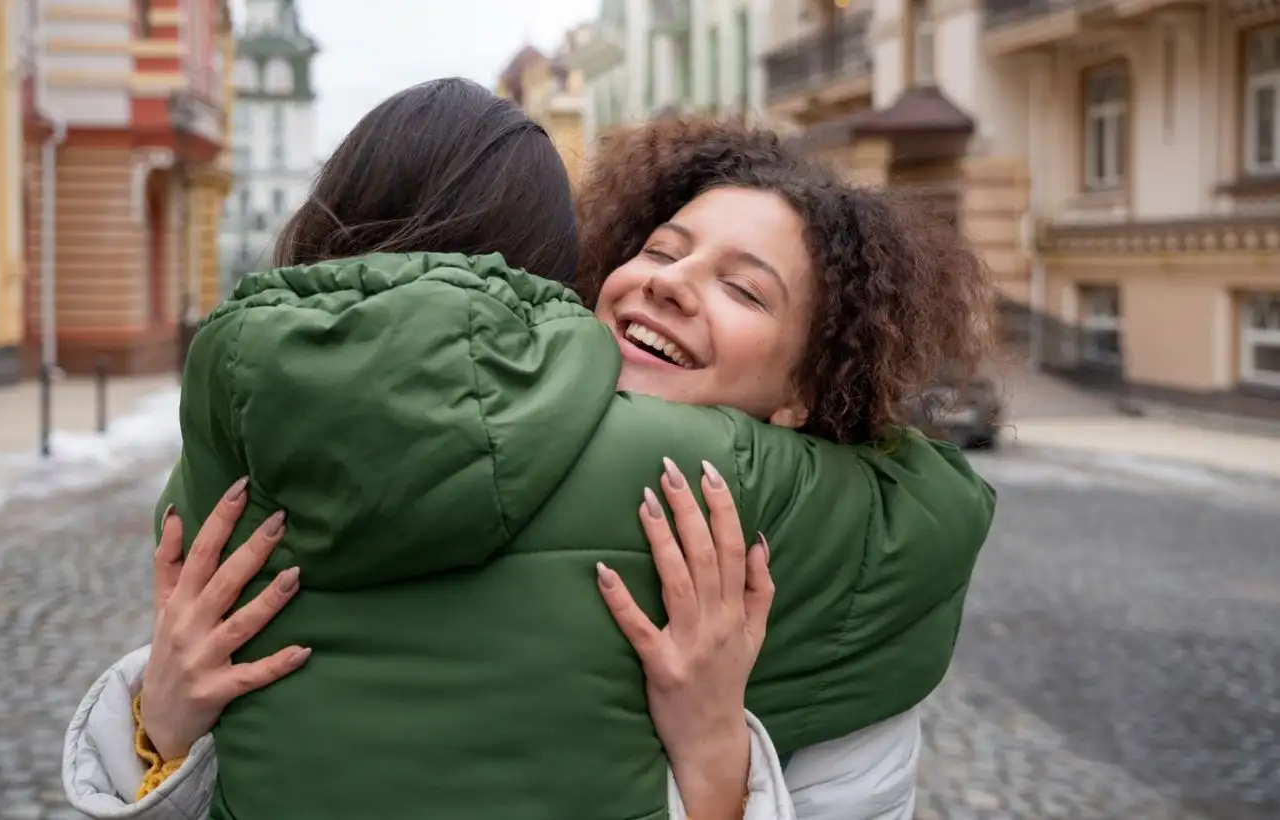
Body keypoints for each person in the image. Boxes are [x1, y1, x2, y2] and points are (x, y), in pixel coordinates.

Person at [61, 80, 996, 820]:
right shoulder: (870, 553)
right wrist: (163, 721)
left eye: (744, 292)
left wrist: (716, 752)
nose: (671, 286)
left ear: (807, 391)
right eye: (663, 251)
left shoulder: (823, 570)